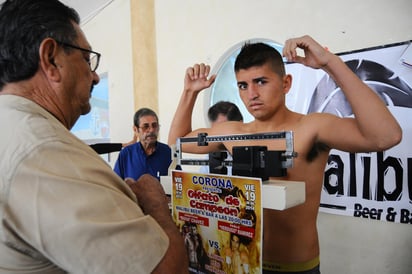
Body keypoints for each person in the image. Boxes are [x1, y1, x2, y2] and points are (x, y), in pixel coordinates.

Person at [168, 35, 402, 273]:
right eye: (243, 85)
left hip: (296, 266)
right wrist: (189, 92)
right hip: (243, 264)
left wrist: (330, 63)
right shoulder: (232, 133)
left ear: (285, 83)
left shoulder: (311, 128)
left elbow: (386, 136)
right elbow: (177, 142)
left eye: (261, 81)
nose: (252, 94)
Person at [0, 1, 187, 273]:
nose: (96, 76)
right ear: (51, 59)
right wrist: (157, 207)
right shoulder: (47, 153)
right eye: (87, 59)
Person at [114, 107, 172, 180]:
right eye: (146, 126)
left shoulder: (168, 152)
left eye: (154, 125)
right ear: (136, 130)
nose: (151, 130)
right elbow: (116, 184)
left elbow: (179, 182)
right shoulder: (126, 154)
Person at [200, 101, 243, 174]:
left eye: (222, 131)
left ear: (240, 124)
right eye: (215, 132)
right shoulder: (212, 155)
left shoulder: (255, 151)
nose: (218, 138)